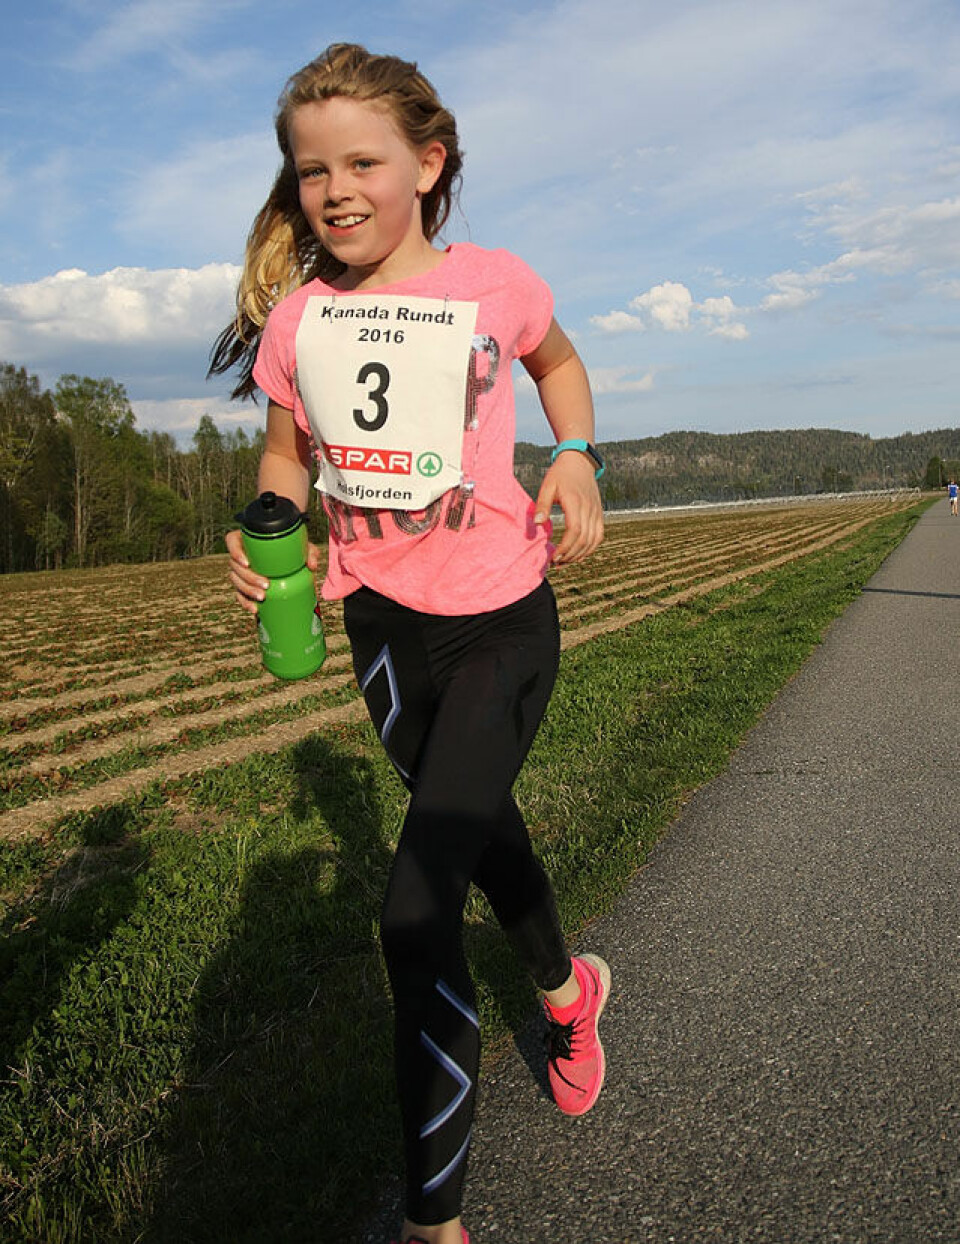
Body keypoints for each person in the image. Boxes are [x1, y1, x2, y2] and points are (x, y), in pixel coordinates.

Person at [211, 43, 610, 1244]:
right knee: (481, 827)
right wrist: (268, 530)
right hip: (382, 627)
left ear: (427, 165)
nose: (333, 189)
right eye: (309, 169)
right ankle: (564, 985)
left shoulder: (497, 282)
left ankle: (434, 1225)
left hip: (500, 614)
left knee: (415, 907)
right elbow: (288, 450)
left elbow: (561, 361)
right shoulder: (299, 317)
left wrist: (578, 454)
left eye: (362, 162)